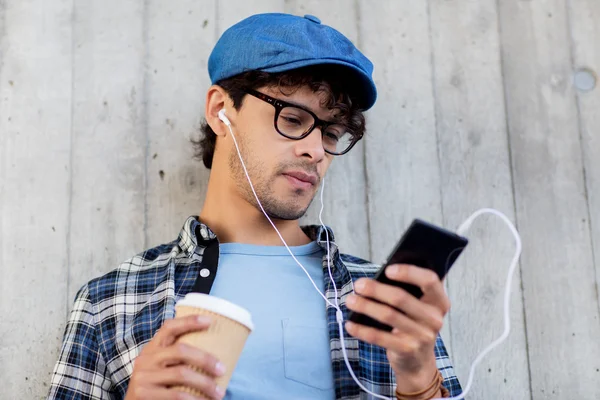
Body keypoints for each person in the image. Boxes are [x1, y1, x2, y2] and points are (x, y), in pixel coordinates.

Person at [48, 13, 462, 400]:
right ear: (220, 110)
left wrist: (418, 379)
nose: (316, 150)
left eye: (332, 133)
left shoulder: (385, 300)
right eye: (294, 119)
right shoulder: (111, 301)